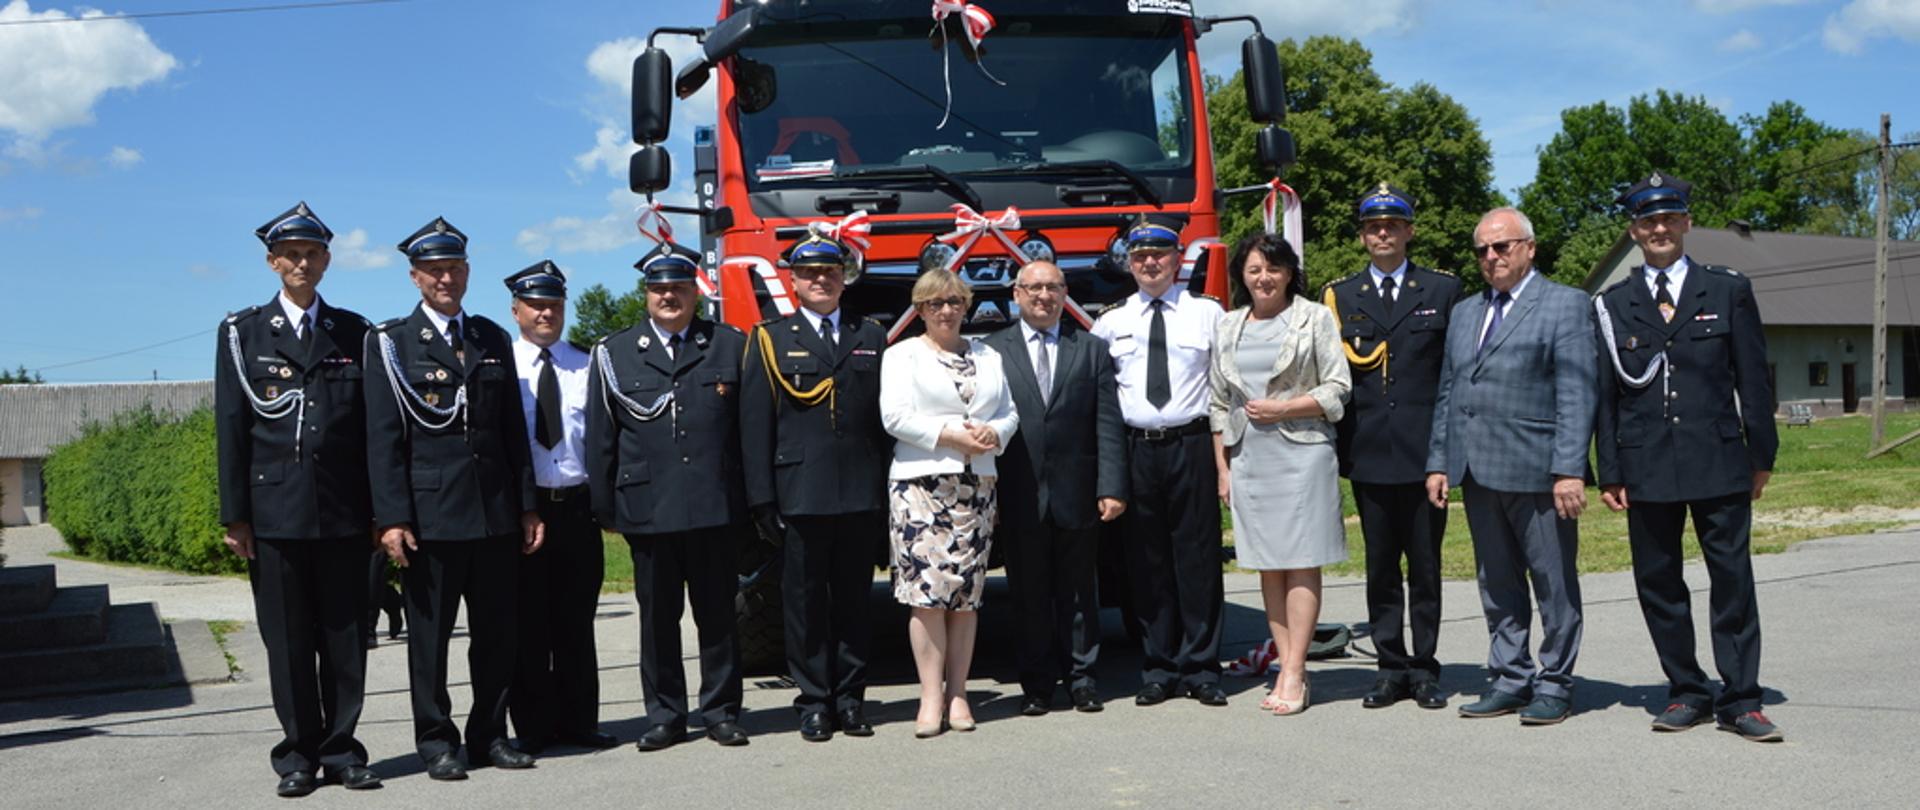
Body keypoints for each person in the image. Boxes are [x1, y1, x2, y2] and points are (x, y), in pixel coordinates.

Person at [1593, 173, 1783, 742]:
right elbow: (1606, 394)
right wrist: (1610, 469)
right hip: (1646, 464)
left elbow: (1753, 378)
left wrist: (1762, 453)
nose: (1659, 229)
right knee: (1659, 584)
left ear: (1686, 223)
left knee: (1732, 582)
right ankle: (1687, 690)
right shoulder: (1613, 303)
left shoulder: (1726, 289)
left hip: (1719, 460)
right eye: (1648, 221)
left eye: (1669, 218)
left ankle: (1742, 698)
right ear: (1633, 230)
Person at [364, 217, 544, 779]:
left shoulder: (490, 337)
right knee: (430, 642)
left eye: (455, 268)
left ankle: (489, 735)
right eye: (435, 270)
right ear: (416, 277)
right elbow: (383, 439)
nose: (446, 278)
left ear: (467, 272)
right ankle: (437, 741)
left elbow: (512, 431)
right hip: (431, 518)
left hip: (493, 516)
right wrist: (391, 518)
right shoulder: (390, 343)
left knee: (497, 637)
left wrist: (527, 505)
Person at [214, 202, 381, 797]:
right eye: (292, 255)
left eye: (312, 254)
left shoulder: (356, 332)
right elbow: (231, 426)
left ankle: (343, 752)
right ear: (272, 261)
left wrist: (380, 514)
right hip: (275, 513)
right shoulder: (243, 333)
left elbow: (372, 431)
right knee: (286, 643)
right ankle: (297, 757)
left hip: (341, 511)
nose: (302, 263)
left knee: (344, 640)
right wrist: (235, 516)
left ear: (327, 261)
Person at [1426, 207, 1597, 726]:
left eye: (1502, 246)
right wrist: (1439, 460)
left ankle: (1555, 682)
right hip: (1477, 471)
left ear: (1529, 248)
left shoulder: (1566, 304)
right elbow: (1450, 391)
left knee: (1553, 584)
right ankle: (1510, 676)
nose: (1491, 257)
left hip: (1539, 471)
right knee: (1496, 583)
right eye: (1482, 249)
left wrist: (1569, 469)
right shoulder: (1464, 311)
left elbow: (1577, 392)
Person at [586, 245, 750, 751]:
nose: (669, 296)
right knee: (657, 622)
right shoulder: (613, 353)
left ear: (695, 292)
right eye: (659, 288)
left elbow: (745, 433)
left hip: (713, 505)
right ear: (647, 294)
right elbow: (601, 439)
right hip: (649, 509)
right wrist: (606, 509)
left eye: (678, 287)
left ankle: (721, 710)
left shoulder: (728, 345)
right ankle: (666, 715)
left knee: (718, 616)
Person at [740, 226, 891, 742]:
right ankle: (813, 703)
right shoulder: (770, 338)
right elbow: (754, 425)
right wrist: (761, 499)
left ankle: (851, 699)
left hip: (858, 491)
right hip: (798, 493)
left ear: (843, 279)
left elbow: (882, 423)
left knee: (854, 601)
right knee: (803, 606)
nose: (820, 280)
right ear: (794, 281)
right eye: (809, 273)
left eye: (829, 272)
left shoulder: (870, 335)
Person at [1324, 184, 1463, 710]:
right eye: (1372, 226)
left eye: (1392, 225)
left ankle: (1424, 669)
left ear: (1409, 231)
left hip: (1426, 455)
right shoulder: (1341, 295)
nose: (1382, 233)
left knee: (1425, 568)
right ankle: (1389, 668)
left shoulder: (1442, 290)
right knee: (1381, 569)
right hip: (1369, 452)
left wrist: (1446, 455)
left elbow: (1452, 379)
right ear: (1362, 235)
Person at [1209, 234, 1350, 716]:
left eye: (1272, 269)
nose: (1263, 278)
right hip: (1249, 457)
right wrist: (1222, 468)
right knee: (1269, 563)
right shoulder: (1228, 325)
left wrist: (1285, 407)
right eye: (1253, 270)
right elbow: (1218, 404)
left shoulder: (1315, 317)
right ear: (1241, 277)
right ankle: (1285, 661)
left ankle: (1294, 671)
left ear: (1289, 272)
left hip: (1303, 453)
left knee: (1301, 559)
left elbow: (1338, 387)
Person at [1092, 214, 1229, 708]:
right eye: (1141, 256)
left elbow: (1224, 390)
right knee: (1145, 563)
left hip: (1191, 444)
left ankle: (1202, 667)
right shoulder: (1110, 322)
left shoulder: (1208, 314)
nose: (1151, 263)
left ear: (1177, 260)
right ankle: (1158, 666)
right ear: (1129, 264)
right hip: (1136, 448)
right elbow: (1104, 399)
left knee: (1197, 558)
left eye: (1160, 255)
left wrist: (1223, 462)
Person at [984, 260, 1127, 717]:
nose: (1043, 296)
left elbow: (1108, 425)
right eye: (1033, 288)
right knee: (1028, 593)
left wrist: (1112, 486)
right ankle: (1037, 684)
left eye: (1052, 287)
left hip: (1078, 490)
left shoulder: (1091, 349)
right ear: (1017, 294)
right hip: (1017, 491)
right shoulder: (990, 351)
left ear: (1065, 293)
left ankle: (1082, 679)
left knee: (1080, 592)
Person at [879, 269, 1019, 737]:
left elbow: (1009, 412)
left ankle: (959, 694)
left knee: (964, 596)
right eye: (935, 302)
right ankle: (930, 697)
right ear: (920, 309)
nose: (946, 310)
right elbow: (894, 416)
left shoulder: (989, 355)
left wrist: (995, 433)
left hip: (975, 486)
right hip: (920, 487)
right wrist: (950, 434)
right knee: (926, 597)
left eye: (955, 301)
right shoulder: (901, 355)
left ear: (966, 305)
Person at [502, 261, 616, 753]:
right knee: (527, 623)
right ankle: (531, 727)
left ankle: (578, 722)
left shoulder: (588, 364)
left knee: (575, 622)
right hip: (524, 514)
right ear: (516, 311)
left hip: (576, 507)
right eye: (535, 304)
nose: (545, 312)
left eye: (553, 304)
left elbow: (605, 439)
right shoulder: (501, 365)